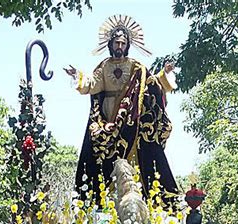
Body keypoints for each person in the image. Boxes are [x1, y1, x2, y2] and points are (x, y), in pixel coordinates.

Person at [65, 14, 178, 204]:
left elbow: (152, 84)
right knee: (104, 159)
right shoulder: (104, 67)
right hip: (109, 118)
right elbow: (92, 85)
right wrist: (77, 75)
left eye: (123, 43)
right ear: (110, 44)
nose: (119, 47)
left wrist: (165, 74)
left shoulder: (136, 67)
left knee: (133, 157)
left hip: (130, 121)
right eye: (116, 43)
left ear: (127, 45)